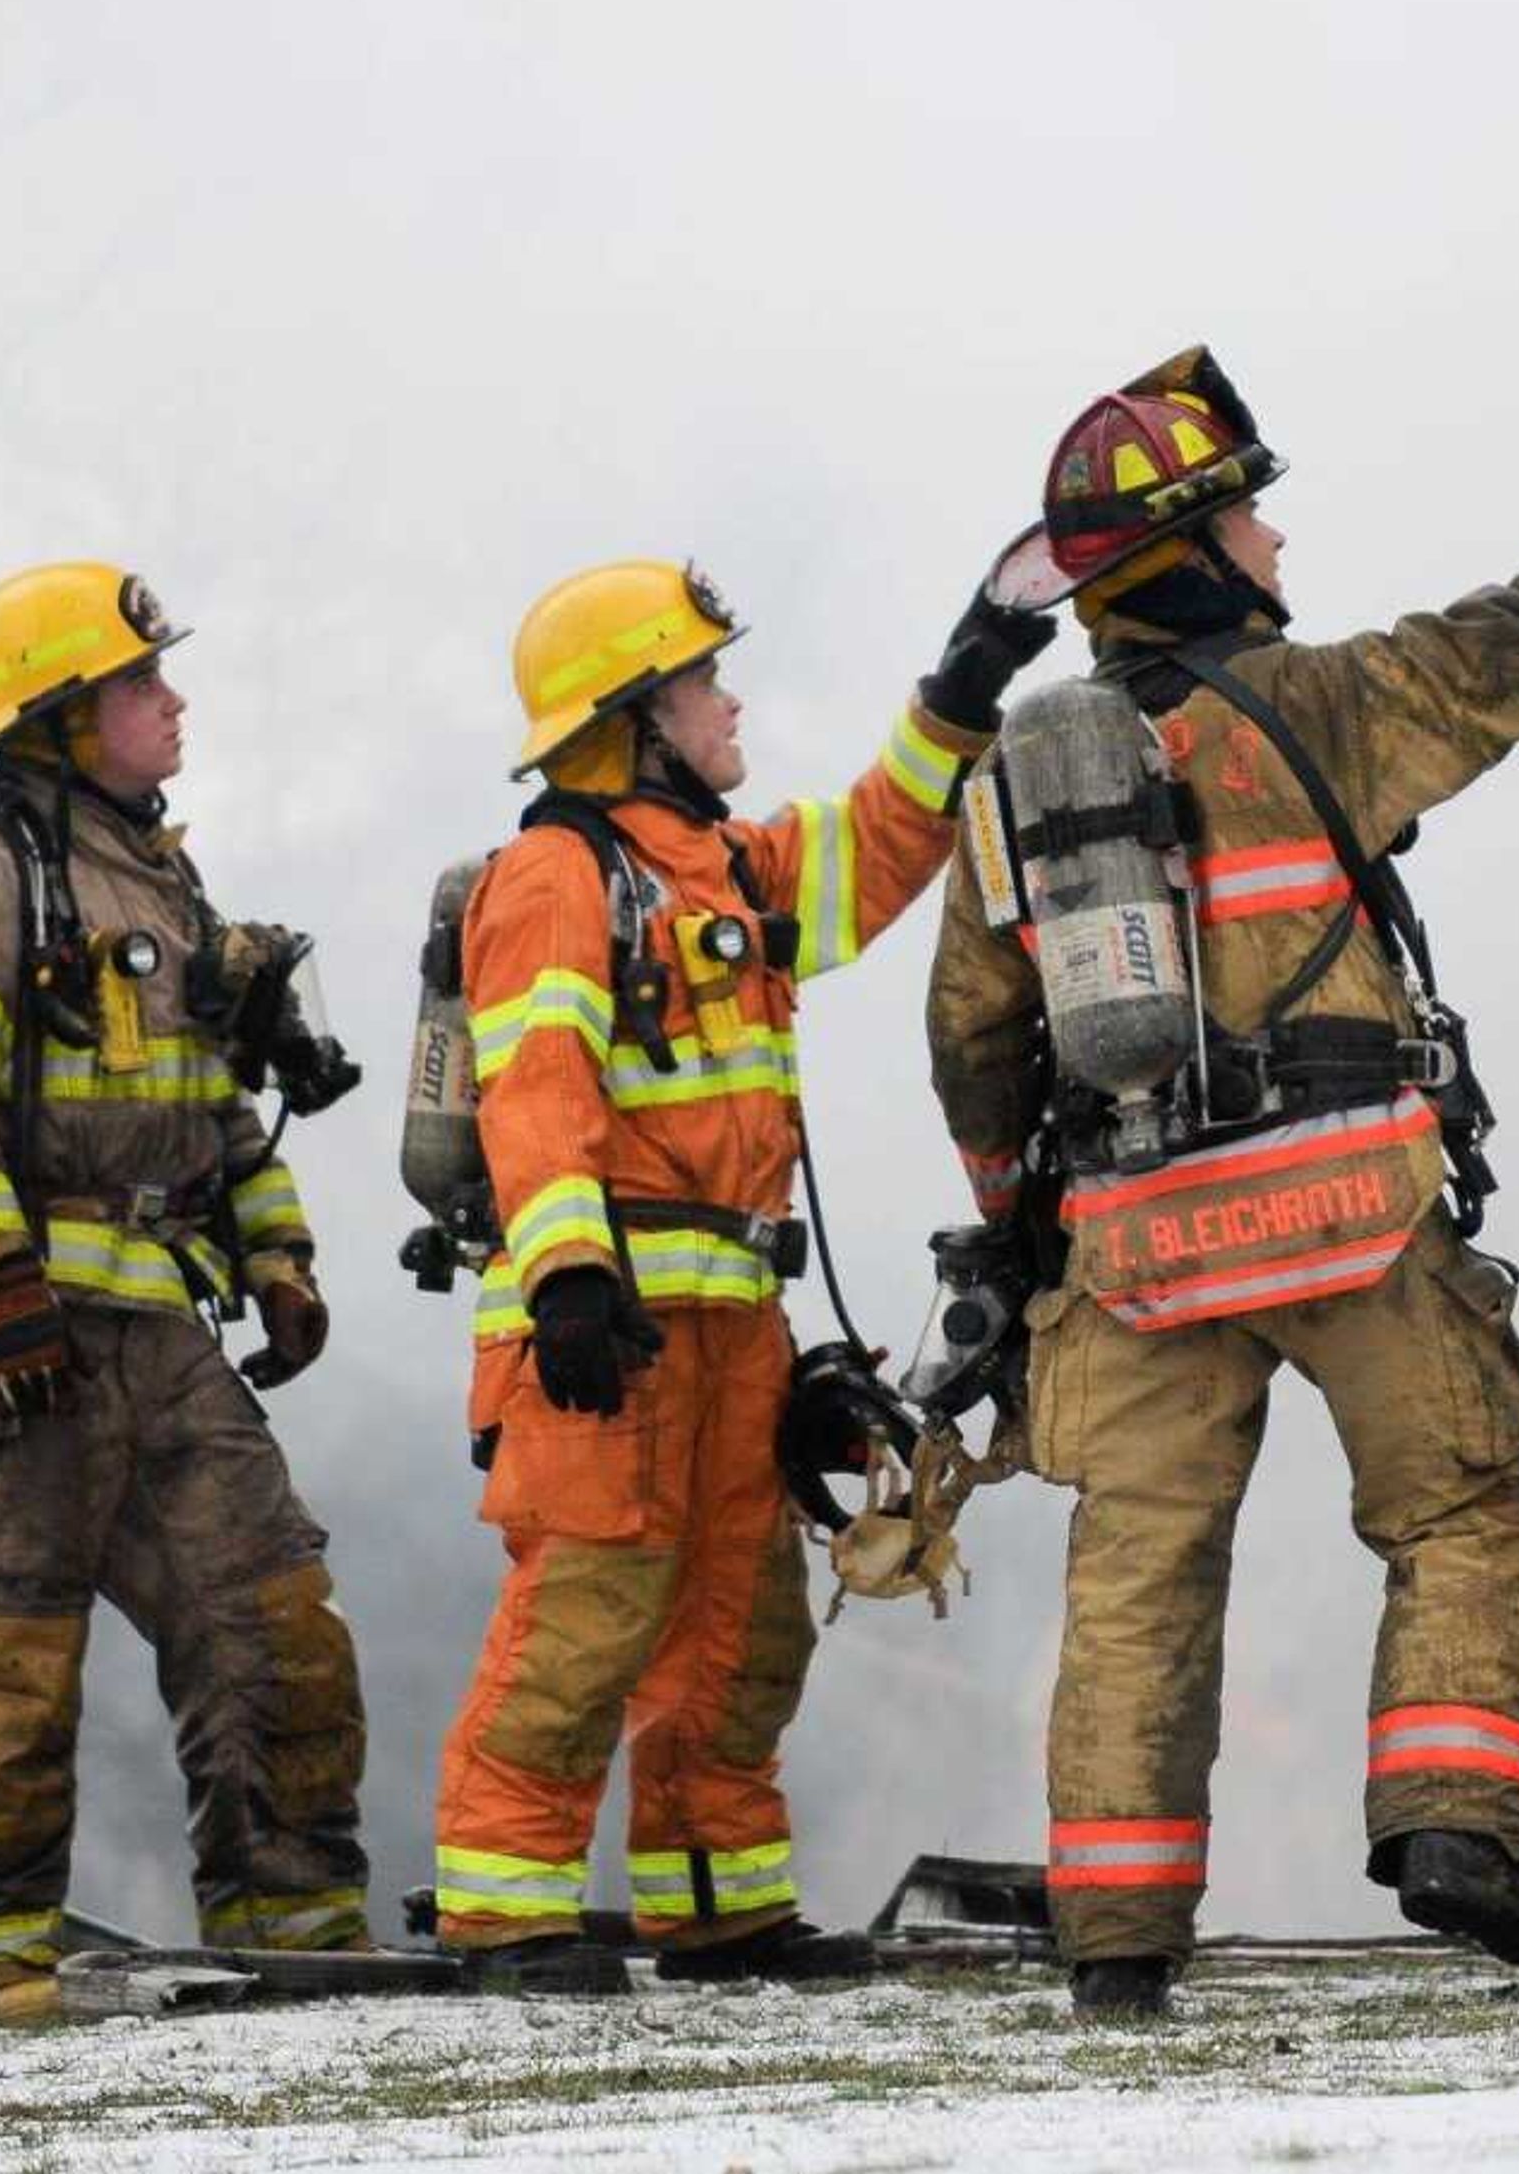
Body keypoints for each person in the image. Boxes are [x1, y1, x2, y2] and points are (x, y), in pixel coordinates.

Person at [925, 338, 1519, 2016]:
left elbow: (973, 1042)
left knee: (1139, 1575)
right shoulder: (1325, 705)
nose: (1279, 550)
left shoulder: (1008, 789)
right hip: (1346, 1205)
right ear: (1194, 550)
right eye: (1252, 521)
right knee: (1457, 1500)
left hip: (1138, 1244)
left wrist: (1019, 1239)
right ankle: (1454, 1829)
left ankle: (1115, 1950)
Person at [430, 557, 1050, 1985]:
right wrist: (571, 1279)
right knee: (586, 1617)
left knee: (740, 1625)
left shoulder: (723, 872)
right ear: (636, 715)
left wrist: (969, 676)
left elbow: (883, 844)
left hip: (729, 1330)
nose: (730, 699)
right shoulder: (552, 876)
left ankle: (718, 1904)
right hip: (608, 1325)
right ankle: (503, 1912)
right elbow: (533, 1086)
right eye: (704, 678)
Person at [0, 562, 366, 2022]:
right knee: (9, 1657)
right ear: (68, 717)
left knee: (276, 1620)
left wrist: (279, 1255)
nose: (173, 699)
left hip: (153, 1337)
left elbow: (217, 1103)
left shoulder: (163, 882)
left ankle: (302, 1931)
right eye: (144, 681)